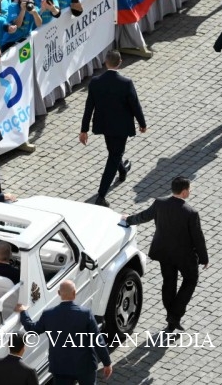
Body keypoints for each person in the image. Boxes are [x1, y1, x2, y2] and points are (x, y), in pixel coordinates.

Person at [122, 177, 208, 333]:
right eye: (189, 189)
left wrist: (128, 219)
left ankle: (171, 318)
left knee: (169, 283)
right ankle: (174, 316)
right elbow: (198, 238)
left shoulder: (160, 203)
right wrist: (203, 258)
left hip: (164, 253)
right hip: (184, 256)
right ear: (184, 192)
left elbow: (144, 216)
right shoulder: (191, 213)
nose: (190, 191)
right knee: (190, 280)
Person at [79, 50, 146, 207]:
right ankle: (101, 195)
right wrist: (142, 123)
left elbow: (89, 108)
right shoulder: (126, 83)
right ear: (120, 62)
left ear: (105, 62)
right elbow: (135, 105)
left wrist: (84, 130)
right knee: (114, 155)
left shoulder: (95, 82)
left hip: (104, 125)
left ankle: (122, 170)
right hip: (121, 127)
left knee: (114, 153)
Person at [16, 280, 113, 384]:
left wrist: (23, 312)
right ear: (74, 293)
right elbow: (98, 341)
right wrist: (107, 363)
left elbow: (32, 329)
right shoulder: (86, 314)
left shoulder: (48, 315)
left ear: (58, 293)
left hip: (60, 367)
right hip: (85, 365)